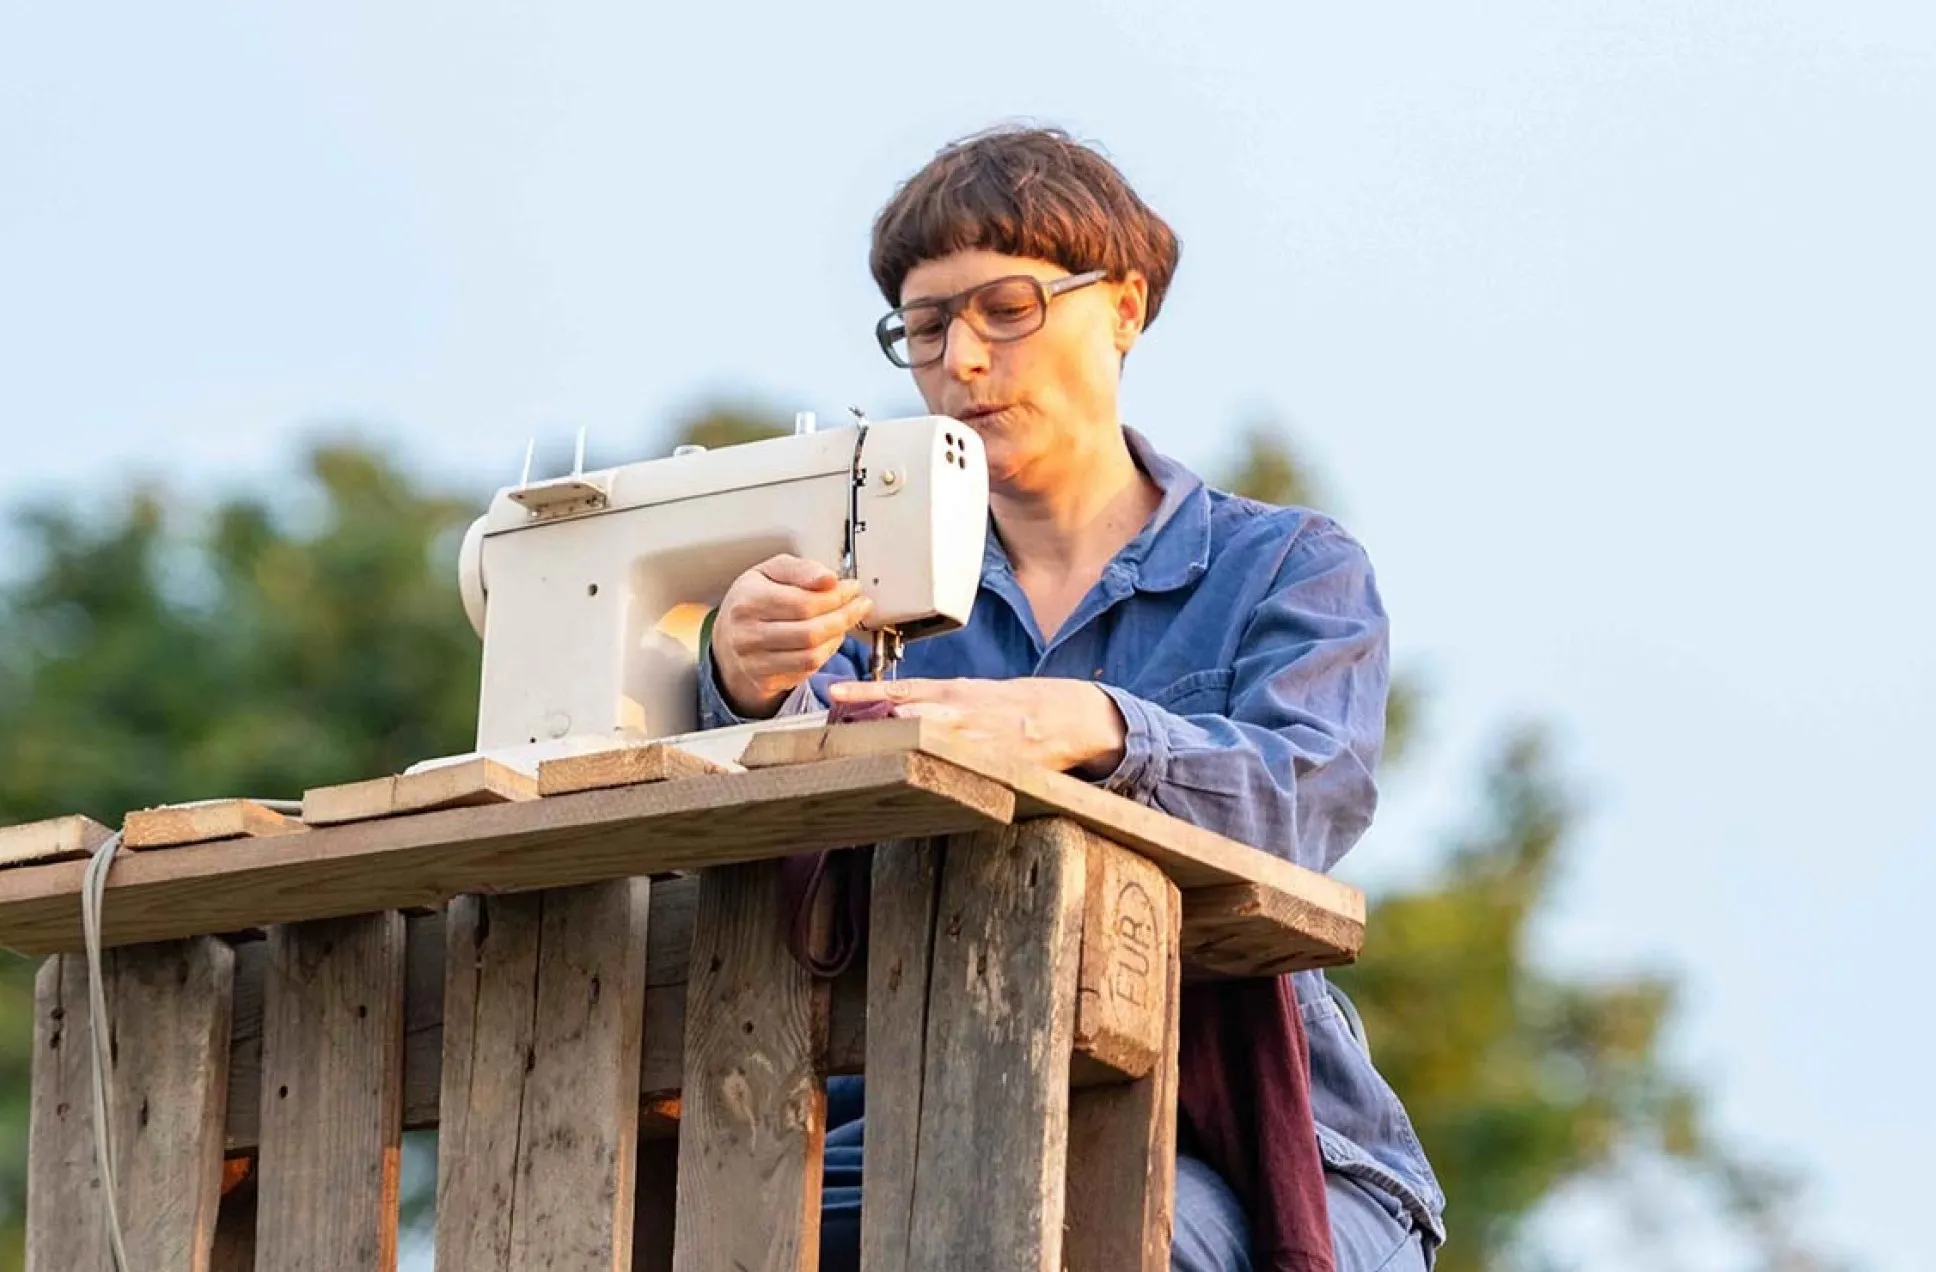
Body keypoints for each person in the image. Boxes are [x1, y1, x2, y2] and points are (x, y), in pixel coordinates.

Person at [697, 125, 1446, 1272]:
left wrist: (1092, 725)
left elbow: (1307, 798)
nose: (964, 362)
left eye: (1007, 308)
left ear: (1126, 309)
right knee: (674, 1225)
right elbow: (767, 812)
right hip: (910, 1115)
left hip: (1266, 1141)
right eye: (929, 326)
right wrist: (740, 683)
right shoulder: (869, 596)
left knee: (1091, 1234)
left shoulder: (1289, 567)